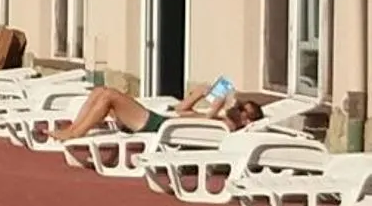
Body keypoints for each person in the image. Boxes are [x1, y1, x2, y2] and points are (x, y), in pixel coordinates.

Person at [55, 81, 263, 140]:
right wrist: (200, 94)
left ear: (247, 122)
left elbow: (202, 125)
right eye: (241, 104)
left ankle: (74, 133)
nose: (238, 107)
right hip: (163, 120)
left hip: (159, 126)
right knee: (101, 90)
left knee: (110, 96)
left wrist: (216, 106)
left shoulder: (225, 126)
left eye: (244, 109)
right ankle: (74, 128)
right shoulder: (219, 117)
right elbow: (181, 110)